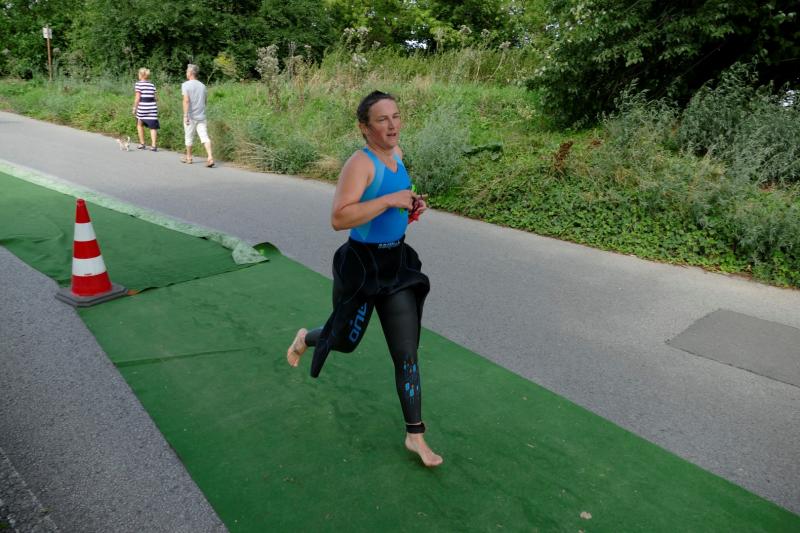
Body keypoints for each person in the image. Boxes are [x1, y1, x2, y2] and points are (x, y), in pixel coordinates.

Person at [286, 90, 443, 468]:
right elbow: (339, 218)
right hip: (361, 267)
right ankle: (307, 337)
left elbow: (394, 205)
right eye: (382, 119)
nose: (392, 125)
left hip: (395, 266)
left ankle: (415, 434)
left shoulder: (397, 155)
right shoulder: (360, 164)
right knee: (345, 340)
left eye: (396, 116)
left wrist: (410, 207)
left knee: (406, 352)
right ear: (364, 127)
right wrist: (390, 201)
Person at [181, 64, 214, 167]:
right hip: (201, 116)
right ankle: (210, 157)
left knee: (189, 136)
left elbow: (186, 101)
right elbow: (205, 101)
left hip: (190, 116)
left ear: (191, 73)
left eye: (187, 71)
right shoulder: (203, 86)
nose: (186, 73)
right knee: (204, 137)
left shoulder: (185, 85)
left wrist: (185, 115)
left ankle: (189, 157)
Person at [132, 67, 159, 151]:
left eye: (138, 73)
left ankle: (142, 143)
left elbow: (137, 98)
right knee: (153, 127)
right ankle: (153, 146)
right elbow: (156, 98)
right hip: (152, 108)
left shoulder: (138, 84)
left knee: (139, 124)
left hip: (142, 107)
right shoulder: (152, 85)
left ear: (141, 75)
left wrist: (134, 108)